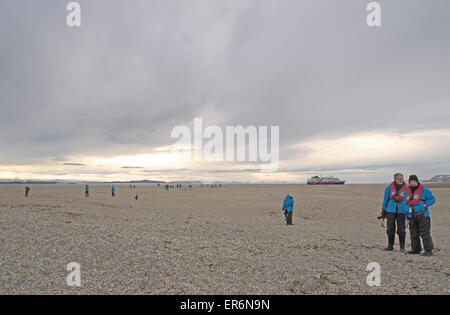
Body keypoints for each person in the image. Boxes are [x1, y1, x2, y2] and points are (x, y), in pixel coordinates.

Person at [406, 175, 436, 257]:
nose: (412, 183)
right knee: (413, 233)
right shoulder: (407, 192)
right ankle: (416, 250)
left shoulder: (424, 190)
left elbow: (433, 199)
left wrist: (425, 204)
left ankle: (429, 251)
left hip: (423, 215)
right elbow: (405, 203)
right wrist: (407, 213)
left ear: (417, 182)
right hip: (411, 215)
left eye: (414, 182)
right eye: (411, 182)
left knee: (425, 233)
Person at [381, 173, 408, 251]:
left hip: (402, 211)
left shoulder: (407, 188)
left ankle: (402, 247)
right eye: (399, 178)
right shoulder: (389, 188)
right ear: (395, 179)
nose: (400, 179)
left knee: (401, 229)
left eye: (402, 178)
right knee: (390, 229)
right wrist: (383, 209)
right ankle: (390, 246)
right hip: (391, 210)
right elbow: (385, 199)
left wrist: (409, 210)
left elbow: (409, 200)